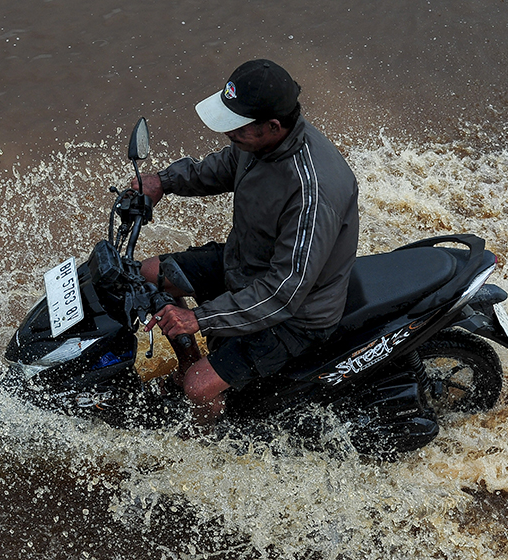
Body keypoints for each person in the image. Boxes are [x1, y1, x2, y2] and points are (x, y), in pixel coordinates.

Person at [137, 59, 360, 426]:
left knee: (197, 386)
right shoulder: (258, 144)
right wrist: (163, 181)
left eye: (236, 127)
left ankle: (208, 434)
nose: (229, 134)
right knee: (150, 272)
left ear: (272, 126)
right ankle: (195, 359)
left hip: (297, 314)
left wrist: (198, 318)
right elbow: (224, 166)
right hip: (246, 265)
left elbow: (283, 294)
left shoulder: (311, 193)